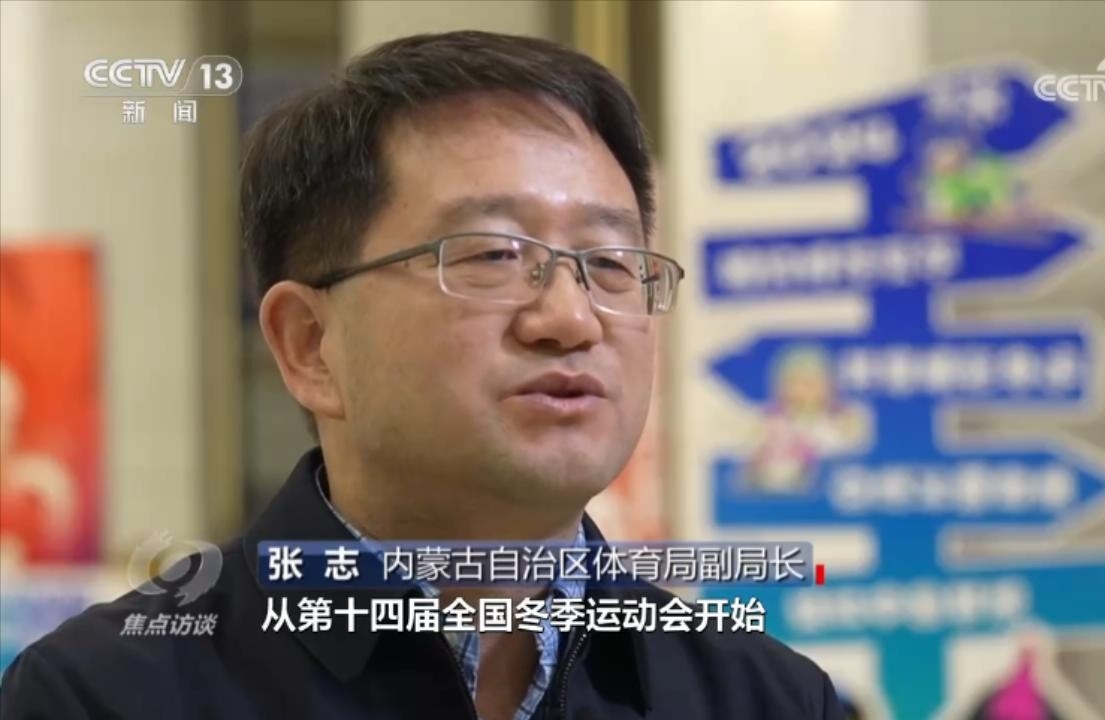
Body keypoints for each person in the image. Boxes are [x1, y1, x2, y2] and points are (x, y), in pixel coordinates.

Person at [0, 31, 844, 719]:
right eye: (492, 255)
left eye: (612, 263)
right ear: (309, 345)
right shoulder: (108, 695)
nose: (571, 318)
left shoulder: (766, 698)